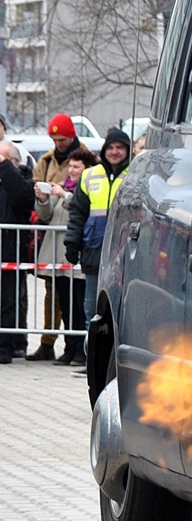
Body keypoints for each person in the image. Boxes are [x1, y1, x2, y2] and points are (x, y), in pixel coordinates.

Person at [64, 129, 134, 346]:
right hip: (94, 252)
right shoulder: (90, 175)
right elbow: (77, 213)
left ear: (127, 151)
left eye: (120, 147)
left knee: (124, 311)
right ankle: (93, 362)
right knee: (93, 310)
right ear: (104, 150)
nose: (115, 152)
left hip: (126, 253)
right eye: (111, 147)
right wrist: (72, 243)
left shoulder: (135, 175)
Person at [29, 113, 87, 360]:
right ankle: (49, 342)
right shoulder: (47, 161)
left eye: (62, 138)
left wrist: (63, 193)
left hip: (74, 239)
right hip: (53, 238)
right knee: (55, 293)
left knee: (77, 296)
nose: (59, 143)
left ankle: (77, 347)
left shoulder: (86, 160)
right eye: (55, 139)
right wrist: (42, 197)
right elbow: (44, 209)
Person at [35, 148, 93, 365]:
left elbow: (81, 208)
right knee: (66, 306)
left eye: (76, 166)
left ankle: (81, 350)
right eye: (70, 166)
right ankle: (69, 349)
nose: (71, 170)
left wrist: (64, 195)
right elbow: (47, 216)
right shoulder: (65, 187)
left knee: (79, 306)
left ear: (86, 169)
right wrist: (42, 200)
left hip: (75, 257)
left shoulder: (85, 188)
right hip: (57, 256)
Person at [0, 140, 35, 363]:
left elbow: (23, 198)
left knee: (8, 302)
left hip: (10, 251)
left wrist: (5, 168)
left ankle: (6, 347)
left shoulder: (24, 181)